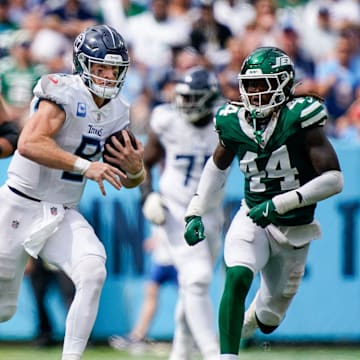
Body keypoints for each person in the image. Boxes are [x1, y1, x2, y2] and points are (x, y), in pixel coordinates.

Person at [184, 46, 343, 359]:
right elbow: (217, 167)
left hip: (295, 229)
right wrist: (195, 211)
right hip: (252, 216)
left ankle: (249, 320)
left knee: (269, 320)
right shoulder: (232, 120)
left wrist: (280, 204)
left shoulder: (301, 117)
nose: (255, 93)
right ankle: (226, 356)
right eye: (250, 85)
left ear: (283, 84)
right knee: (238, 275)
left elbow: (334, 180)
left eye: (263, 85)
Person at [0, 24, 145, 360]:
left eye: (115, 68)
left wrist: (136, 169)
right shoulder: (63, 91)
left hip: (60, 212)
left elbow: (131, 178)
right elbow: (28, 144)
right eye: (101, 68)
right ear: (83, 66)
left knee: (93, 270)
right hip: (18, 205)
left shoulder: (119, 111)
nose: (108, 75)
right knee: (4, 311)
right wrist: (85, 166)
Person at [139, 66, 223, 360]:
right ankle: (213, 353)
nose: (185, 104)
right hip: (176, 211)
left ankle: (181, 353)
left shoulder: (225, 123)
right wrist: (148, 196)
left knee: (192, 288)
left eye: (193, 98)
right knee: (197, 278)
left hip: (211, 213)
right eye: (183, 97)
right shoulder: (167, 120)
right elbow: (144, 162)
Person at [108, 225, 178, 353]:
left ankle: (195, 337)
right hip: (160, 260)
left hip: (178, 260)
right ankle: (138, 336)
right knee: (150, 295)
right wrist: (155, 240)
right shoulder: (154, 206)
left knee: (189, 299)